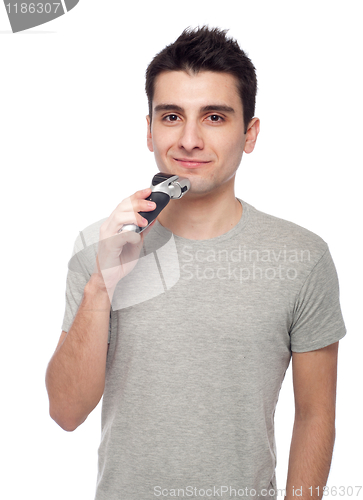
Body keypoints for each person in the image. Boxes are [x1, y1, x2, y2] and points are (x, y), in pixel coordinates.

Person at [45, 26, 346, 500]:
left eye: (213, 117)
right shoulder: (98, 249)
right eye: (170, 116)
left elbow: (315, 414)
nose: (188, 139)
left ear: (249, 134)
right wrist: (101, 286)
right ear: (148, 130)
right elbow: (65, 412)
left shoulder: (302, 256)